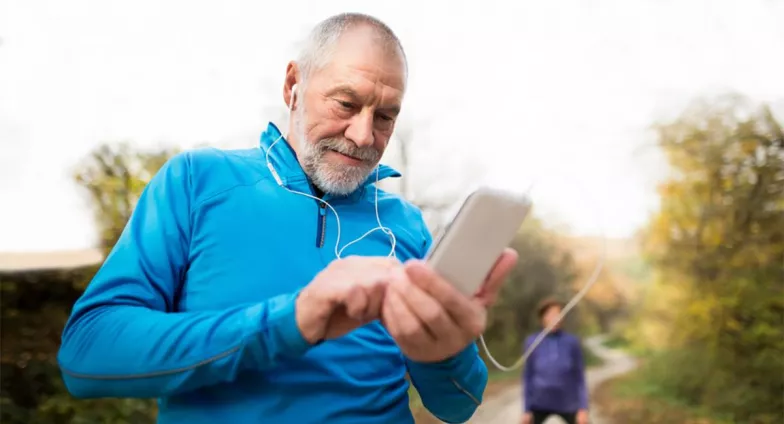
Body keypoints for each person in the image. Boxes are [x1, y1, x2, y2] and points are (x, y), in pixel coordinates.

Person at [56, 12, 518, 424]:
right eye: (346, 104)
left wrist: (443, 355)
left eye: (385, 116)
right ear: (292, 84)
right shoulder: (196, 181)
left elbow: (456, 406)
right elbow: (87, 354)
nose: (363, 135)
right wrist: (292, 319)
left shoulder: (407, 226)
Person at [521, 298, 589, 424]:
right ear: (542, 317)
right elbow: (528, 376)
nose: (555, 318)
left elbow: (579, 377)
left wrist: (583, 408)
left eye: (559, 314)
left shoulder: (572, 342)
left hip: (568, 402)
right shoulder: (532, 342)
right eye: (551, 314)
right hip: (539, 403)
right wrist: (526, 409)